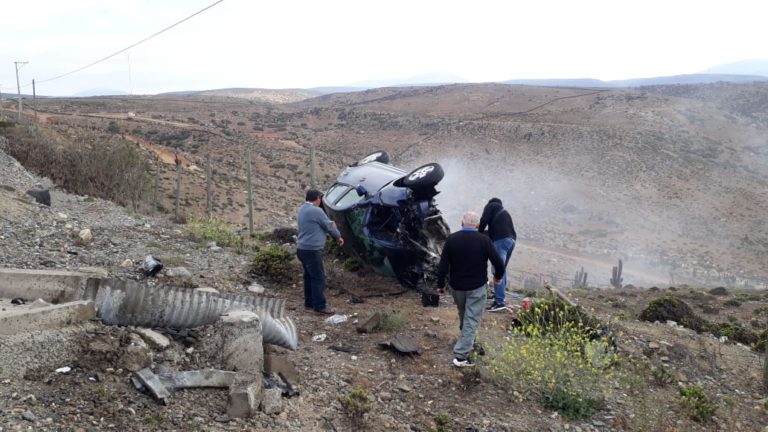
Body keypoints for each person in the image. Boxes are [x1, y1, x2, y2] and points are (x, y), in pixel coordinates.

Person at [437, 211, 504, 367]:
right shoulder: (484, 240)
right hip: (477, 288)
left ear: (462, 223)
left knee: (465, 317)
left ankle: (470, 343)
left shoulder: (452, 239)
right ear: (478, 225)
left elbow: (443, 266)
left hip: (457, 287)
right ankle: (461, 357)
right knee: (471, 319)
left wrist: (440, 285)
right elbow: (499, 263)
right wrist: (498, 277)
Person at [296, 189, 344, 315]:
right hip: (312, 250)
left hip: (301, 248)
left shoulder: (302, 209)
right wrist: (338, 237)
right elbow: (329, 226)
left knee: (308, 276)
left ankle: (309, 303)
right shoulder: (316, 211)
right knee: (318, 278)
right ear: (317, 198)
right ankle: (320, 306)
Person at [479, 197, 517, 312]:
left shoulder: (491, 205)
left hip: (501, 241)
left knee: (497, 269)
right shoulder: (504, 214)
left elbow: (483, 220)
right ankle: (498, 295)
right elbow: (492, 232)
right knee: (502, 269)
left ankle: (499, 302)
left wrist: (478, 233)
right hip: (511, 241)